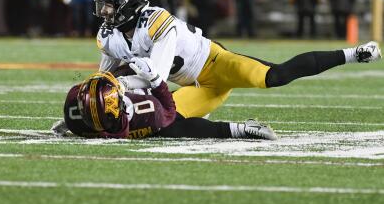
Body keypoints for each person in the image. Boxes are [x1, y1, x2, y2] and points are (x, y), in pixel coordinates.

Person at [90, 0, 381, 121]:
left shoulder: (156, 21)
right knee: (163, 121)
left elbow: (158, 77)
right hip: (196, 87)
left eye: (110, 6)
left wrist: (123, 85)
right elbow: (104, 79)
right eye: (103, 6)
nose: (104, 13)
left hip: (214, 65)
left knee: (273, 76)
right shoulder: (108, 35)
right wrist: (91, 103)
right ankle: (240, 130)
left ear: (131, 4)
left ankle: (353, 53)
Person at [53, 62, 276, 140]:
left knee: (170, 126)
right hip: (157, 102)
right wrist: (156, 80)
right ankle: (242, 129)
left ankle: (239, 128)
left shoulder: (75, 101)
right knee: (170, 128)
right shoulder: (143, 113)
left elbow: (167, 109)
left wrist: (153, 78)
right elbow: (167, 111)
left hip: (157, 83)